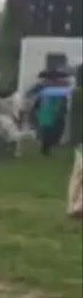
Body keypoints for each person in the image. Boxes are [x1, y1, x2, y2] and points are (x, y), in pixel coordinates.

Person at [68, 65, 83, 218]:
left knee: (78, 173)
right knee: (79, 174)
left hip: (78, 139)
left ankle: (75, 205)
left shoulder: (75, 93)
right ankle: (76, 206)